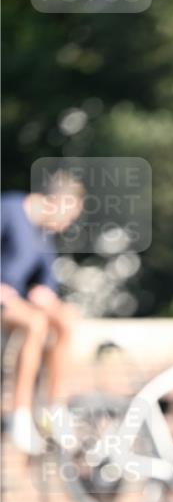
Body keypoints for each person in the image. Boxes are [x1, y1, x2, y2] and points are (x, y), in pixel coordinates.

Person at [1, 172, 83, 455]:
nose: (68, 224)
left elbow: (46, 277)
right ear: (58, 202)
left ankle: (54, 412)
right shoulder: (9, 209)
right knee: (35, 324)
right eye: (70, 215)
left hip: (19, 303)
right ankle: (19, 415)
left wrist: (43, 292)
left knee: (66, 320)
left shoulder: (42, 233)